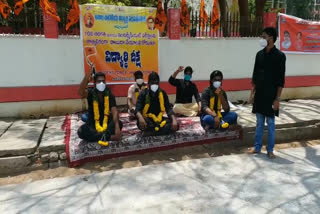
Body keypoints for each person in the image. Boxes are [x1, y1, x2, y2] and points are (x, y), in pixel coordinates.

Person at [249, 27, 286, 159]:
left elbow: (281, 80)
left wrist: (277, 99)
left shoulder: (280, 56)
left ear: (271, 38)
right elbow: (255, 76)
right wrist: (252, 93)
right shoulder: (259, 55)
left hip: (271, 95)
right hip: (259, 94)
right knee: (259, 122)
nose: (262, 39)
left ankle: (270, 149)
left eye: (263, 36)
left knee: (270, 123)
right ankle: (257, 147)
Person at [77, 67, 122, 146]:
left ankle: (99, 135)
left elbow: (114, 111)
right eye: (99, 81)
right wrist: (87, 77)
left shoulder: (108, 93)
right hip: (93, 122)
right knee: (81, 131)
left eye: (103, 81)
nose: (101, 83)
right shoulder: (91, 92)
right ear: (95, 84)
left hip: (106, 121)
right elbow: (80, 92)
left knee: (119, 123)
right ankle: (109, 137)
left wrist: (117, 127)